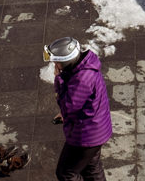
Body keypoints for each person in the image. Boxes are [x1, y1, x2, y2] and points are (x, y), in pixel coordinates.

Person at [48, 37, 112, 181]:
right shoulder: (85, 68)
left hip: (86, 136)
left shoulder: (82, 79)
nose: (55, 65)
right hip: (97, 130)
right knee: (91, 169)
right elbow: (77, 103)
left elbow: (68, 105)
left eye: (56, 62)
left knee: (66, 173)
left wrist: (58, 79)